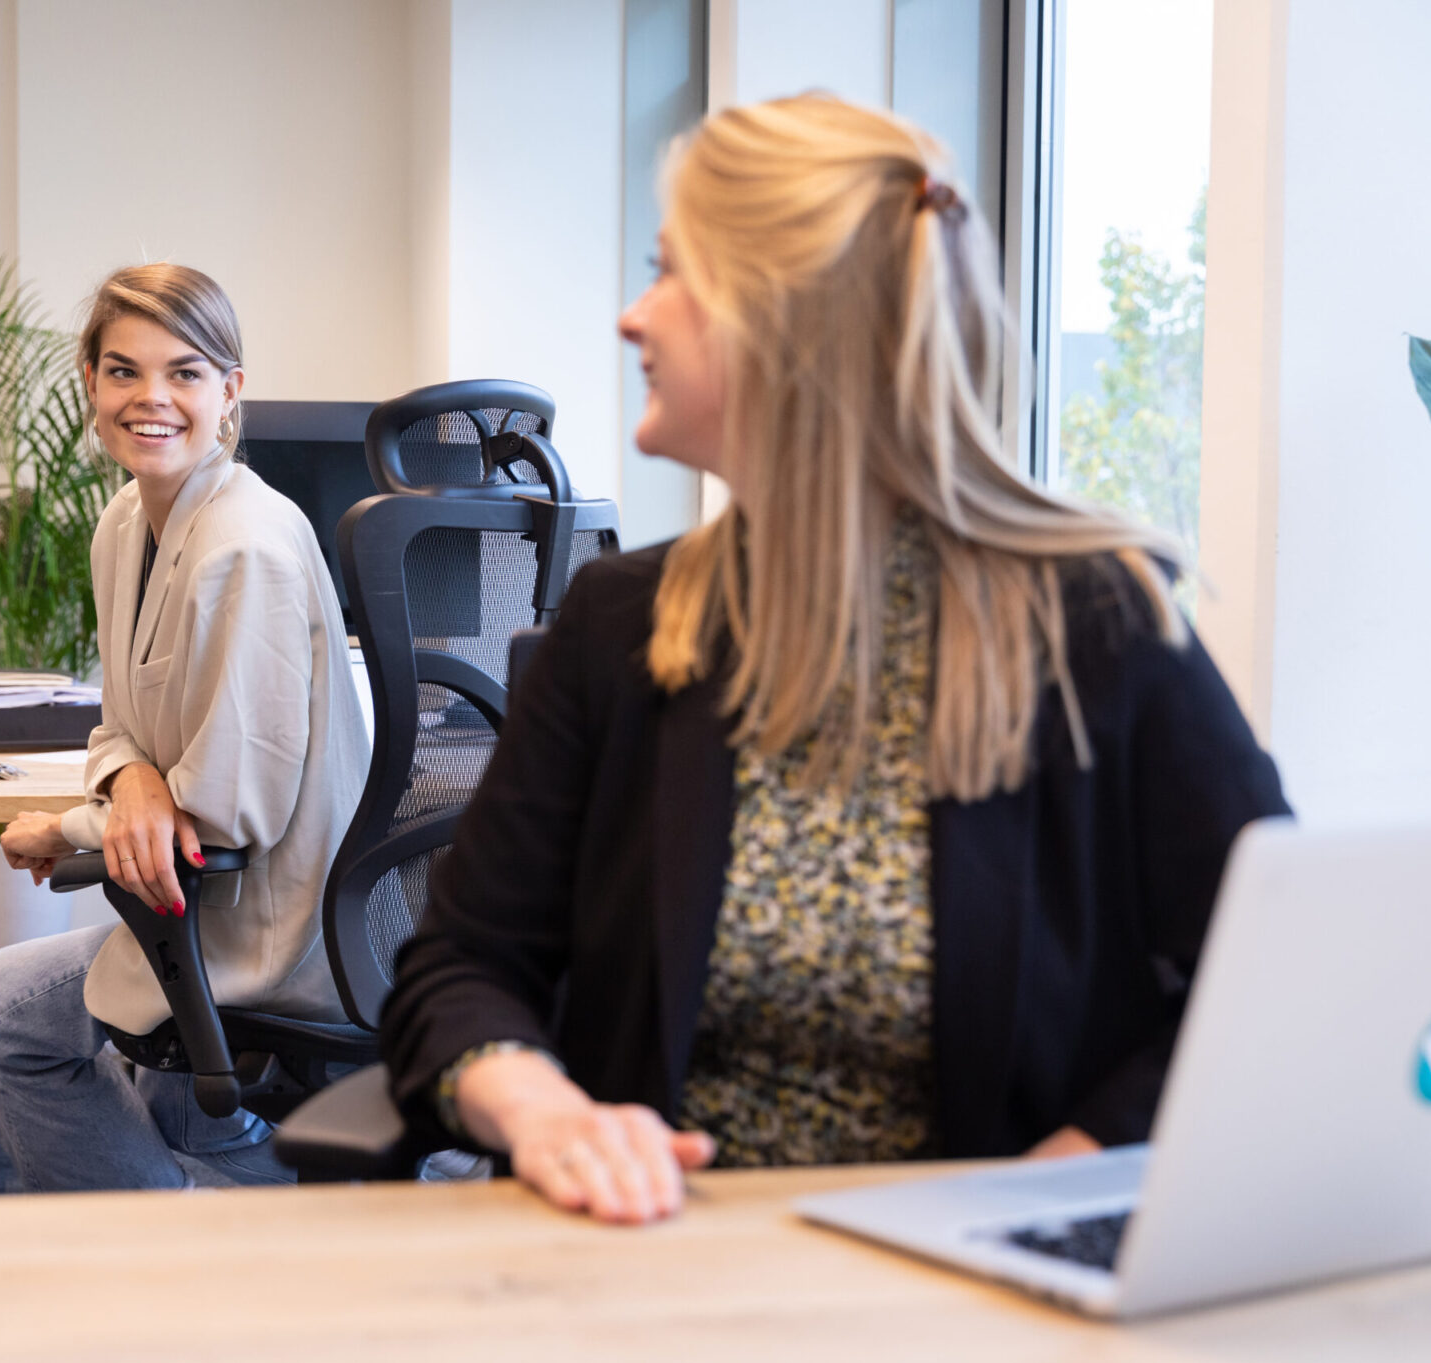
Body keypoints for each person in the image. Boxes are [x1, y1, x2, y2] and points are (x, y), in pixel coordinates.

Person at [377, 95, 1289, 1224]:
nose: (630, 317)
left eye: (670, 273)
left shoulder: (1093, 625)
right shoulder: (620, 627)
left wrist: (1058, 1180)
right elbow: (458, 965)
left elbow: (1267, 969)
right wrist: (540, 1108)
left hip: (991, 1290)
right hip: (664, 1266)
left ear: (779, 319)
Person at [0, 263, 370, 1191]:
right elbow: (120, 729)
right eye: (122, 371)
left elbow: (221, 817)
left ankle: (159, 1242)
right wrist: (129, 780)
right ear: (90, 385)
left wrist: (65, 825)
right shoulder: (123, 523)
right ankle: (228, 1191)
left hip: (268, 928)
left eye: (185, 373)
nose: (152, 398)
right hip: (198, 906)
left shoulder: (246, 547)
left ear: (229, 392)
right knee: (167, 1101)